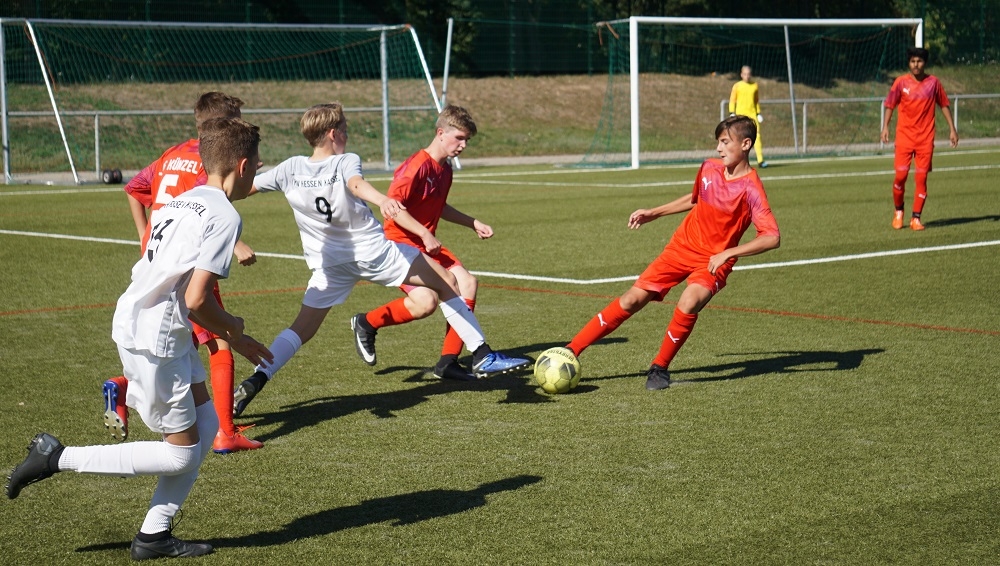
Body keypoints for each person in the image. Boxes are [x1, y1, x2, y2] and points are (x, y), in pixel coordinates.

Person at [6, 117, 273, 560]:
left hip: (149, 324)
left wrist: (235, 339)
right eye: (258, 163)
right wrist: (233, 327)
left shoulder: (181, 200)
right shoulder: (226, 215)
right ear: (242, 166)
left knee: (207, 425)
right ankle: (55, 456)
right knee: (180, 455)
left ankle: (153, 535)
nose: (258, 170)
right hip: (158, 338)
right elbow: (196, 299)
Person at [231, 102, 530, 416]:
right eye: (345, 129)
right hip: (372, 252)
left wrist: (225, 192)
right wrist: (383, 200)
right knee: (448, 281)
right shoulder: (346, 160)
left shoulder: (289, 168)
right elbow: (355, 184)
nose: (347, 134)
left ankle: (257, 378)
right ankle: (482, 354)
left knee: (299, 330)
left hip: (328, 265)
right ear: (333, 134)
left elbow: (239, 189)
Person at [562, 115, 780, 391]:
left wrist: (729, 253)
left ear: (746, 144)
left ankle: (659, 368)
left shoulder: (751, 188)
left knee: (689, 301)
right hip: (682, 247)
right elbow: (696, 199)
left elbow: (771, 237)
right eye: (718, 142)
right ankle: (570, 350)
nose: (719, 148)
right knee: (631, 299)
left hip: (713, 261)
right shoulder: (709, 168)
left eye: (725, 142)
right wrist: (654, 212)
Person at [104, 92, 263, 454]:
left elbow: (136, 189)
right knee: (217, 342)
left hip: (158, 260)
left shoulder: (172, 154)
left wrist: (143, 235)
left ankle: (126, 386)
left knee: (188, 347)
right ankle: (226, 431)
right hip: (188, 266)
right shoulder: (206, 168)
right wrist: (233, 244)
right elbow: (212, 213)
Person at [351, 105, 498, 381]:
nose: (463, 145)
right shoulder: (416, 166)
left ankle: (448, 362)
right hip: (401, 243)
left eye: (467, 140)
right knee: (427, 302)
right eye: (459, 138)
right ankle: (366, 322)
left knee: (466, 283)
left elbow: (439, 206)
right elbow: (392, 208)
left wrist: (472, 222)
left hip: (425, 243)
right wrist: (424, 233)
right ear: (441, 133)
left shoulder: (445, 169)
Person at [880, 46, 959, 231]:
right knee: (900, 177)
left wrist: (952, 129)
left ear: (925, 63)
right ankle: (899, 211)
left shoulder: (933, 83)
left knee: (921, 179)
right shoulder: (900, 82)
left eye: (919, 61)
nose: (916, 65)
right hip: (904, 137)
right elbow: (890, 105)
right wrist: (885, 127)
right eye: (913, 61)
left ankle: (916, 218)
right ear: (909, 63)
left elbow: (944, 104)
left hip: (925, 139)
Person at [729, 65, 767, 168]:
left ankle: (760, 160)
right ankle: (736, 159)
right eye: (745, 74)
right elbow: (732, 100)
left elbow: (756, 100)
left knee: (757, 136)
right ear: (741, 75)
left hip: (752, 115)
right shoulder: (737, 86)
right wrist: (732, 112)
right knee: (739, 138)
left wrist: (758, 113)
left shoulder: (754, 85)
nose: (747, 76)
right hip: (740, 116)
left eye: (748, 74)